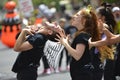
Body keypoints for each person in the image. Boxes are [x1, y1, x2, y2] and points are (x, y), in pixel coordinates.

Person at [55, 7, 106, 80]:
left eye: (77, 15)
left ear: (84, 21)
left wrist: (65, 43)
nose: (74, 16)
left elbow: (77, 56)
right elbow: (77, 54)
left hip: (83, 75)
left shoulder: (82, 35)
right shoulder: (84, 34)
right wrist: (67, 42)